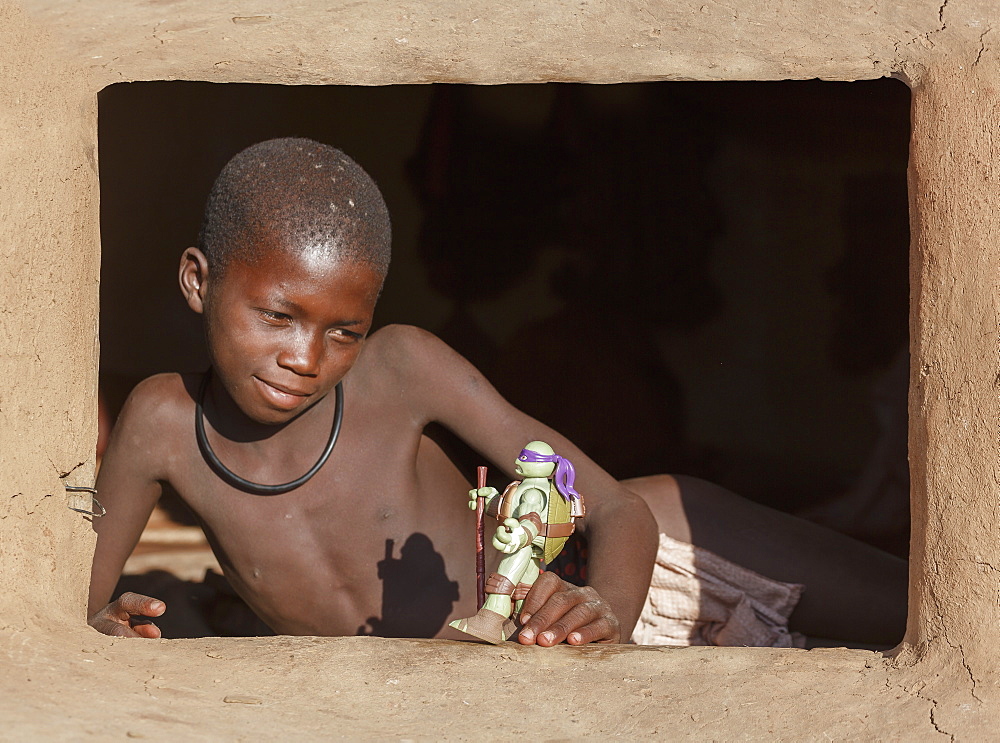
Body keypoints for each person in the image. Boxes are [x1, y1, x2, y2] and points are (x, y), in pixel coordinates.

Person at [88, 137, 907, 648]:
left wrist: (604, 609)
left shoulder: (401, 366)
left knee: (946, 628)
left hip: (662, 562)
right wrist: (106, 624)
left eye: (344, 329)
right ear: (198, 282)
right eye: (277, 315)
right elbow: (78, 610)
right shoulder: (160, 425)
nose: (306, 356)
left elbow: (617, 508)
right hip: (504, 674)